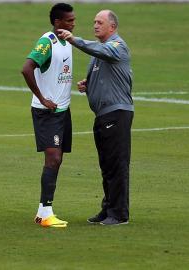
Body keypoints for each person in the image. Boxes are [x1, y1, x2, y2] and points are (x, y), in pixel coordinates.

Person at [58, 10, 134, 225]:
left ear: (112, 27)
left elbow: (104, 52)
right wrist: (88, 84)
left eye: (100, 22)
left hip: (117, 114)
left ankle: (119, 214)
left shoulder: (118, 46)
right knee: (107, 165)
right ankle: (108, 209)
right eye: (94, 22)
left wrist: (74, 40)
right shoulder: (100, 52)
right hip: (103, 115)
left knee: (116, 164)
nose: (95, 25)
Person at [21, 3, 76, 228]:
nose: (73, 23)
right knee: (53, 158)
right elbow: (26, 68)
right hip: (47, 112)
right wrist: (42, 98)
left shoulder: (67, 41)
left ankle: (43, 210)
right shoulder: (47, 42)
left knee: (58, 159)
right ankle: (45, 213)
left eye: (74, 19)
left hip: (63, 111)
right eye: (69, 20)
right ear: (57, 22)